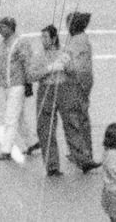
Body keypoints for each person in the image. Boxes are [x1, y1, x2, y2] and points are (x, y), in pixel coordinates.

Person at [0, 16, 36, 164]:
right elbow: (0, 63)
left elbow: (27, 63)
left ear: (11, 28)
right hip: (7, 85)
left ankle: (6, 150)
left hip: (17, 85)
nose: (0, 29)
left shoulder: (20, 43)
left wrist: (28, 82)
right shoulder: (3, 43)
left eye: (3, 27)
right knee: (19, 116)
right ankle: (32, 142)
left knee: (10, 117)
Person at [61, 10, 98, 171]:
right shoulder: (83, 38)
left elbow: (72, 65)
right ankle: (85, 152)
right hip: (85, 80)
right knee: (82, 116)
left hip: (76, 82)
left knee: (75, 118)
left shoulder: (76, 41)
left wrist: (63, 65)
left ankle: (82, 155)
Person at [32, 25, 70, 177]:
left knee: (72, 124)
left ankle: (82, 158)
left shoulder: (64, 52)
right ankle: (52, 165)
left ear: (54, 39)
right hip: (46, 89)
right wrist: (49, 69)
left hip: (62, 88)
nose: (43, 40)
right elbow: (31, 75)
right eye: (42, 37)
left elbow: (74, 71)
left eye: (46, 37)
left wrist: (67, 65)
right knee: (45, 128)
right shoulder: (39, 56)